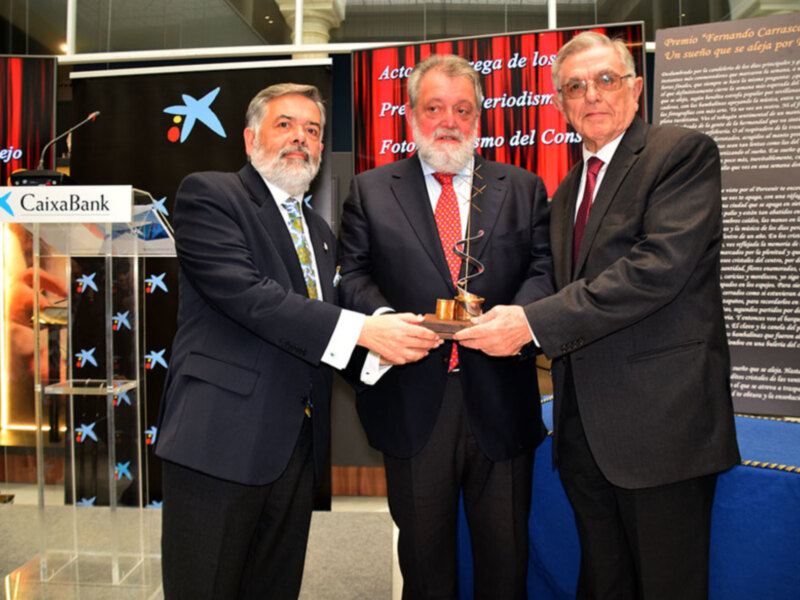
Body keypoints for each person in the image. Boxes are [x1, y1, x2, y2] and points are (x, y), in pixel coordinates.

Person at [456, 32, 740, 599]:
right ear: (561, 105)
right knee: (603, 583)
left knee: (668, 586)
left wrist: (529, 324)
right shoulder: (566, 193)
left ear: (636, 90)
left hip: (663, 429)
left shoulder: (680, 153)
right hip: (585, 433)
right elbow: (565, 288)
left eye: (607, 80)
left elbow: (655, 270)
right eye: (575, 87)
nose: (592, 95)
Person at [156, 83, 439, 600]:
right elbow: (250, 297)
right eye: (284, 124)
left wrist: (391, 347)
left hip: (296, 448)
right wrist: (365, 331)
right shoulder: (210, 195)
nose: (300, 139)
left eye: (312, 130)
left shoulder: (320, 231)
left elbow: (322, 328)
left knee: (274, 587)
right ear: (249, 138)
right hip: (219, 441)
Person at [338, 55, 553, 599]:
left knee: (506, 562)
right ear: (410, 115)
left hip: (502, 398)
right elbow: (353, 275)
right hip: (412, 397)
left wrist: (518, 318)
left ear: (480, 118)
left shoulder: (523, 187)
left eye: (462, 108)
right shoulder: (370, 189)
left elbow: (545, 270)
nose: (448, 121)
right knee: (425, 561)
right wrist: (385, 322)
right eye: (434, 107)